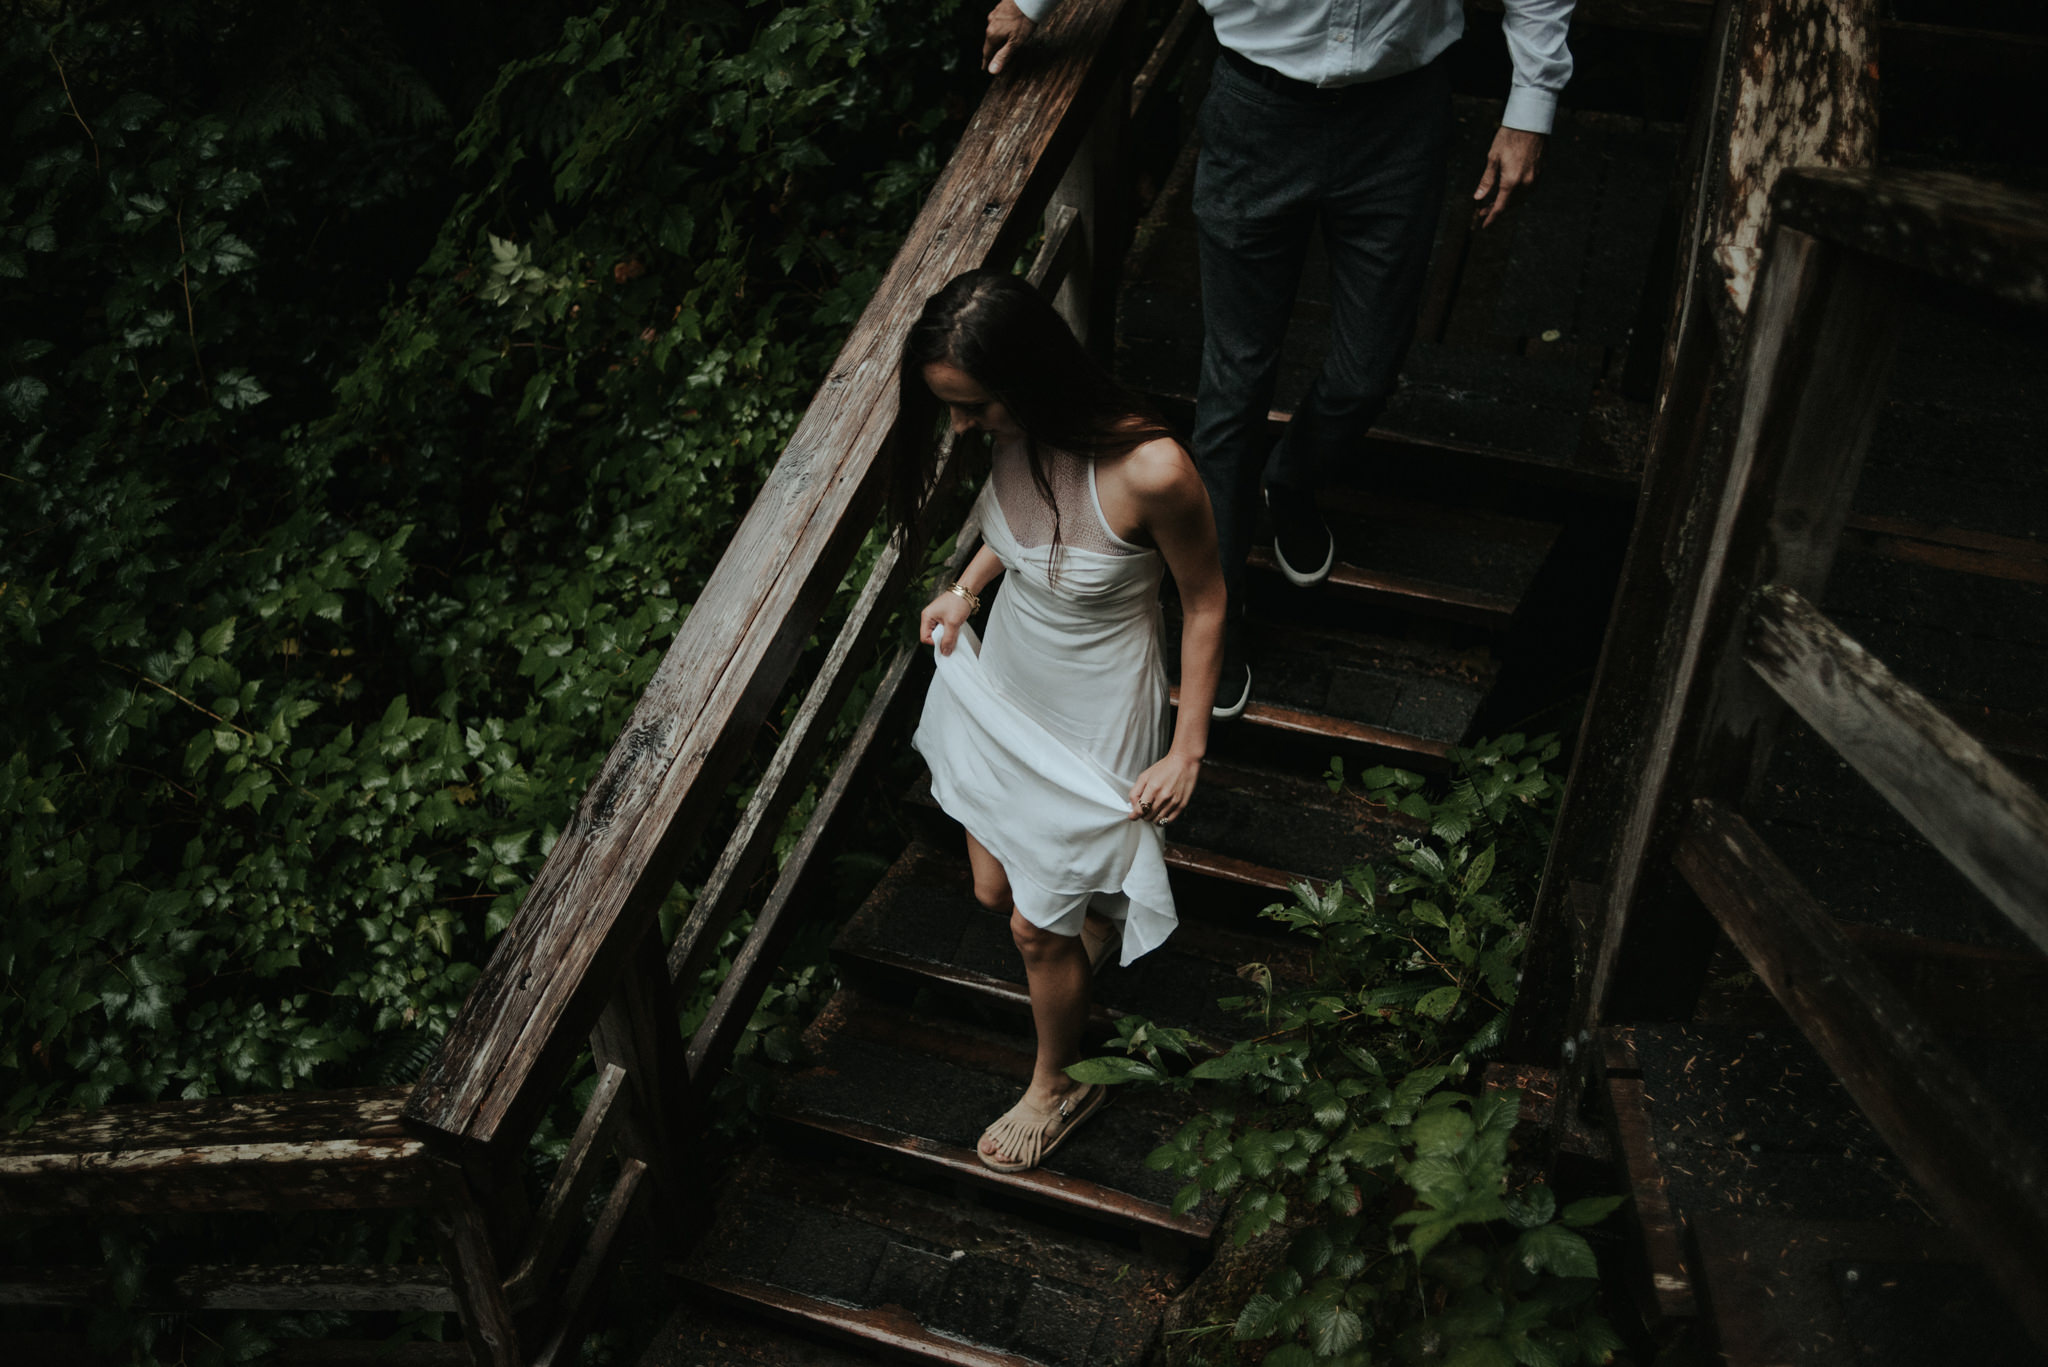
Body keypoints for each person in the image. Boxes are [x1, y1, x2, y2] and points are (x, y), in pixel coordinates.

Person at [982, 0, 1574, 713]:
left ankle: (1290, 477)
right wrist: (1029, 3)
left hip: (1400, 115)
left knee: (1367, 375)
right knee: (1231, 392)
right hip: (1255, 109)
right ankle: (1214, 624)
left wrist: (1530, 105)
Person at [900, 269, 1226, 1173]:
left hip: (1097, 696)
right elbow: (1017, 533)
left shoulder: (1152, 469)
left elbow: (1203, 601)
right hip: (1008, 673)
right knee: (994, 890)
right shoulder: (1015, 431)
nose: (963, 429)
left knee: (1034, 927)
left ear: (1031, 377)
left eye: (972, 408)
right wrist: (963, 590)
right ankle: (1085, 913)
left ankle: (1060, 1081)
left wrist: (1186, 748)